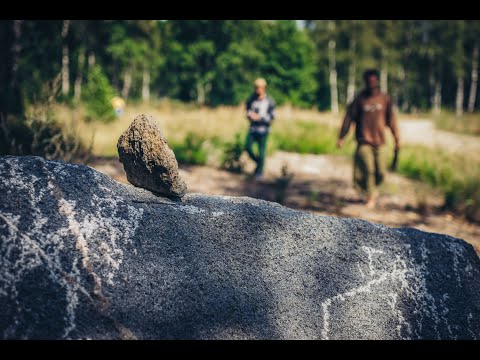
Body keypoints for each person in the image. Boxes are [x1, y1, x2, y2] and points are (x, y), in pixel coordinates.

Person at [337, 69, 400, 208]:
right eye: (368, 81)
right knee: (369, 170)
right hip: (364, 142)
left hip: (380, 142)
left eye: (373, 80)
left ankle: (371, 190)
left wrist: (397, 139)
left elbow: (392, 121)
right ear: (365, 82)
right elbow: (348, 119)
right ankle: (371, 197)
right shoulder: (360, 99)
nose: (371, 83)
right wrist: (342, 137)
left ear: (377, 81)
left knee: (381, 172)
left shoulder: (385, 99)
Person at [245, 78, 276, 180]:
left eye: (260, 88)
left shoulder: (270, 101)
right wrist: (250, 115)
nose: (258, 90)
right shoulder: (251, 99)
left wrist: (260, 118)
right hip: (253, 129)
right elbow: (247, 111)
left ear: (264, 88)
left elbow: (272, 117)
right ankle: (259, 162)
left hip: (263, 130)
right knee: (247, 147)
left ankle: (259, 172)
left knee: (261, 151)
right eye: (256, 88)